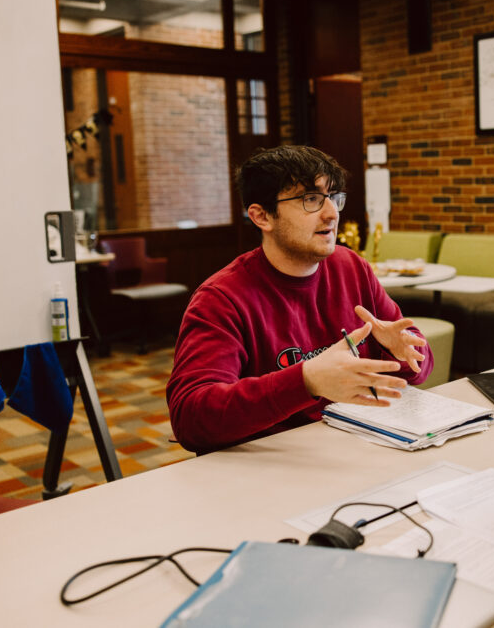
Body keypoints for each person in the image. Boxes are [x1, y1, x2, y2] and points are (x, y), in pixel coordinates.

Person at [167, 145, 433, 454]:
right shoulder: (222, 298)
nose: (332, 212)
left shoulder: (351, 267)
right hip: (270, 467)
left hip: (354, 448)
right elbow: (190, 417)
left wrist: (400, 351)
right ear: (262, 216)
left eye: (334, 197)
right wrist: (306, 380)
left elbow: (418, 362)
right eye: (311, 199)